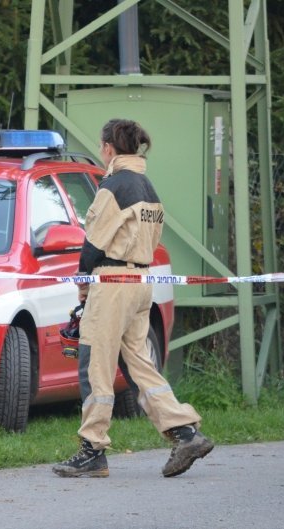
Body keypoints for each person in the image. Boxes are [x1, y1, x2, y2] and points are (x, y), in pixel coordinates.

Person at [52, 118, 213, 478]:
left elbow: (94, 241)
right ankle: (185, 433)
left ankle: (92, 449)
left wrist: (83, 280)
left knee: (94, 363)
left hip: (112, 281)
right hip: (141, 278)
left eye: (100, 144)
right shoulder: (147, 186)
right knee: (140, 364)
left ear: (109, 148)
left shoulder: (113, 186)